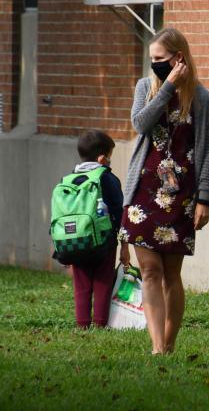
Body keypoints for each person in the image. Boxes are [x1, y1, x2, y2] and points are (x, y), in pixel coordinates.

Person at [120, 28, 209, 354]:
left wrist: (205, 198)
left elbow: (208, 151)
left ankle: (170, 342)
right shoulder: (145, 87)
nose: (155, 64)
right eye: (152, 60)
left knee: (171, 275)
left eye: (160, 59)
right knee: (149, 270)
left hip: (182, 197)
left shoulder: (202, 98)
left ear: (179, 57)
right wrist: (167, 88)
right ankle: (157, 345)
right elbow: (140, 124)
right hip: (143, 194)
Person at [66, 130, 129, 328]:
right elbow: (120, 212)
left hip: (78, 239)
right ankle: (100, 322)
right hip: (104, 241)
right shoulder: (108, 179)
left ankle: (82, 323)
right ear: (102, 158)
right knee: (103, 281)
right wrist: (124, 244)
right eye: (110, 156)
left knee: (81, 284)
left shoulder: (70, 179)